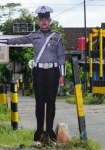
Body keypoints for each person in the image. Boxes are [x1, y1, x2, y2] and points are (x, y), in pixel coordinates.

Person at [1, 6, 66, 146]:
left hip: (53, 72)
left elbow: (61, 57)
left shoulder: (57, 36)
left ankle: (49, 130)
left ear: (49, 20)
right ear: (38, 21)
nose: (44, 21)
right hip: (38, 72)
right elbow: (18, 40)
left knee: (51, 103)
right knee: (39, 102)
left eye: (46, 19)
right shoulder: (33, 36)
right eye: (41, 19)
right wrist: (3, 41)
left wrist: (62, 74)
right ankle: (38, 132)